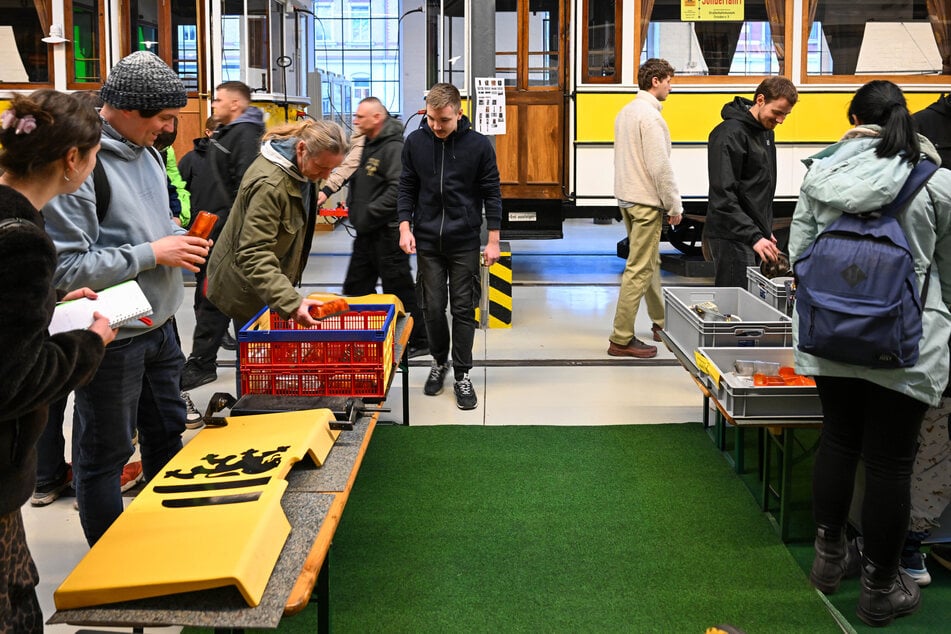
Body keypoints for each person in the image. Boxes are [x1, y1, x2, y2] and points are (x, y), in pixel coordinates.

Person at [789, 80, 951, 627]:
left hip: (830, 337)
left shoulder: (819, 174)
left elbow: (799, 256)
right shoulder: (938, 183)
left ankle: (829, 558)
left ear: (853, 117)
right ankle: (881, 589)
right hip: (906, 343)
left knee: (838, 439)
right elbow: (948, 281)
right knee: (890, 463)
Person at [42, 51, 211, 546]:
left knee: (167, 436)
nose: (167, 129)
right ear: (130, 110)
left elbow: (141, 230)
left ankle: (162, 543)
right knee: (105, 455)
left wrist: (169, 236)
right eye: (162, 118)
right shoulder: (81, 167)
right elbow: (67, 267)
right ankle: (110, 568)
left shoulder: (151, 152)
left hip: (160, 327)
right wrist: (151, 251)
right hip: (112, 337)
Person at [0, 90, 115, 631]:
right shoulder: (23, 241)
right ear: (73, 160)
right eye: (95, 156)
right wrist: (88, 343)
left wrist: (47, 308)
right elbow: (15, 380)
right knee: (16, 603)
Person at [397, 82, 502, 411]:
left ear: (459, 113)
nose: (437, 126)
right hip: (427, 240)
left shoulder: (478, 146)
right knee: (431, 307)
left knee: (461, 308)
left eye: (444, 120)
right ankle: (438, 362)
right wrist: (404, 227)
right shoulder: (414, 142)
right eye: (431, 119)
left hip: (464, 241)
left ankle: (462, 374)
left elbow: (492, 193)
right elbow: (406, 187)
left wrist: (494, 240)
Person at [206, 119, 347, 330]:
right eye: (321, 168)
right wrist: (292, 302)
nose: (326, 177)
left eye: (332, 169)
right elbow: (253, 253)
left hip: (268, 284)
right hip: (246, 288)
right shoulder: (270, 186)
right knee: (253, 357)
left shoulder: (304, 169)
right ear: (301, 148)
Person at [896, 93, 951, 586]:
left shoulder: (839, 178)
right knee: (930, 442)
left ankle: (852, 544)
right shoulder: (940, 187)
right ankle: (910, 545)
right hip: (928, 334)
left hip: (852, 338)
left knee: (878, 445)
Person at [181, 81, 265, 391]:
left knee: (234, 302)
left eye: (218, 100)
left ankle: (248, 377)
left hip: (236, 239)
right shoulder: (228, 134)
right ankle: (205, 363)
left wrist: (238, 240)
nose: (213, 104)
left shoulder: (244, 135)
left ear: (235, 104)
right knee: (213, 300)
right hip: (222, 232)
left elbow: (245, 190)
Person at [607, 58, 682, 359]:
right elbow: (660, 168)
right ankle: (621, 338)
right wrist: (673, 204)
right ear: (656, 81)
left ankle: (661, 323)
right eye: (669, 81)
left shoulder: (626, 112)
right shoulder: (650, 118)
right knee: (639, 269)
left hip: (627, 198)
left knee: (649, 263)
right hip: (646, 203)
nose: (670, 86)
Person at [343, 97, 429, 357]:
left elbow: (398, 189)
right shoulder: (371, 144)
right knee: (356, 288)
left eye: (360, 117)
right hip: (367, 233)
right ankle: (366, 337)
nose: (355, 120)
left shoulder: (392, 148)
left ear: (377, 118)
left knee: (399, 289)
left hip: (387, 232)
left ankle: (419, 339)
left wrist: (369, 211)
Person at [705, 77, 798, 288]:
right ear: (761, 99)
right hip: (732, 236)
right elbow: (723, 196)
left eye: (786, 114)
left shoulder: (766, 133)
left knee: (751, 304)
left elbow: (756, 190)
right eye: (777, 112)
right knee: (735, 306)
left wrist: (765, 229)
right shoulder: (728, 134)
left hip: (751, 234)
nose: (781, 120)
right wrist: (754, 235)